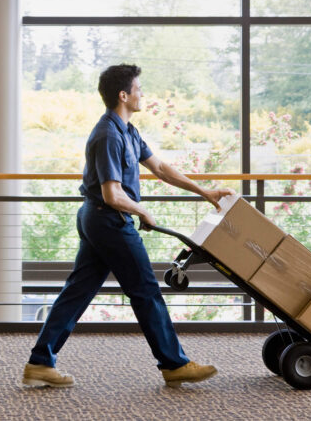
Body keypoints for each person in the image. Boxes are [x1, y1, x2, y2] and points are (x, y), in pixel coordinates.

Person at [22, 64, 234, 388]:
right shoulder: (107, 134)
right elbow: (112, 193)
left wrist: (205, 192)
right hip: (108, 219)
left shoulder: (128, 131)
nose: (142, 94)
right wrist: (142, 211)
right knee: (145, 290)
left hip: (101, 219)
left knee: (77, 291)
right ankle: (174, 363)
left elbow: (161, 168)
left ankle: (40, 361)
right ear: (124, 95)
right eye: (138, 89)